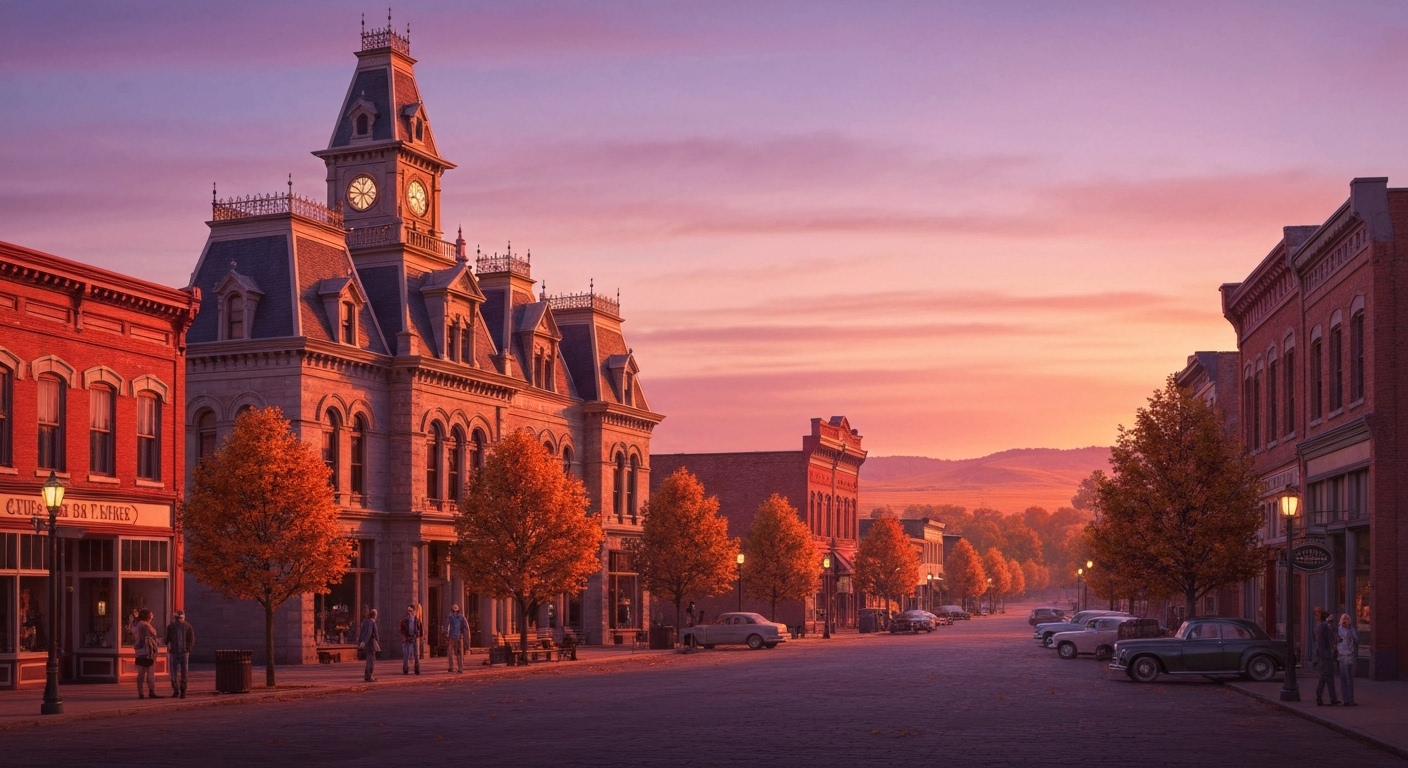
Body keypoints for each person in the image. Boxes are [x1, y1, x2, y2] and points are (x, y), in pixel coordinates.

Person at [164, 610, 195, 699]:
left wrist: (188, 648)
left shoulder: (187, 626)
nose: (179, 620)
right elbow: (167, 639)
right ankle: (177, 690)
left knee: (182, 673)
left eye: (180, 618)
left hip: (182, 653)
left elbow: (191, 639)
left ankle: (181, 691)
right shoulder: (171, 627)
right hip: (176, 652)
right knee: (176, 674)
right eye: (177, 618)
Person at [1312, 608, 1339, 706]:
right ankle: (1329, 698)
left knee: (1325, 677)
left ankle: (1328, 698)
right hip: (1326, 655)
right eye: (1330, 617)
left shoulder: (1319, 626)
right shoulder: (1324, 626)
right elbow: (1325, 640)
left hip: (1323, 655)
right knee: (1328, 676)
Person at [132, 609, 160, 699]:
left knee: (141, 674)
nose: (152, 617)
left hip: (141, 652)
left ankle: (141, 693)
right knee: (149, 674)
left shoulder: (138, 624)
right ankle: (151, 692)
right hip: (147, 651)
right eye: (150, 616)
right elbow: (149, 636)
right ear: (147, 616)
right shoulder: (144, 626)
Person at [1337, 613, 1359, 706]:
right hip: (1345, 656)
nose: (1345, 621)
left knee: (1346, 678)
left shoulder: (1347, 630)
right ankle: (1348, 699)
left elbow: (1356, 641)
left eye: (1347, 619)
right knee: (1347, 678)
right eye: (1344, 619)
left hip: (1346, 656)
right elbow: (1356, 641)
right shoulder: (1346, 630)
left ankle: (1347, 699)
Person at [445, 604, 470, 673]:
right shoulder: (462, 617)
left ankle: (451, 667)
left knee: (451, 653)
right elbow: (466, 628)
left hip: (452, 637)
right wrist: (465, 637)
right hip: (458, 637)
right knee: (459, 653)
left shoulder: (450, 617)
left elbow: (446, 627)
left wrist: (446, 636)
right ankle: (460, 668)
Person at [358, 609, 380, 682]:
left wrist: (361, 642)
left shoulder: (365, 622)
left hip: (366, 644)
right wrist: (377, 642)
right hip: (371, 643)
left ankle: (366, 676)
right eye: (376, 615)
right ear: (374, 615)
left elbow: (362, 633)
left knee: (368, 660)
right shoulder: (373, 623)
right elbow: (373, 634)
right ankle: (370, 676)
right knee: (371, 660)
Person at [400, 604, 422, 675]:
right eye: (409, 611)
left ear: (414, 611)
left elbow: (420, 629)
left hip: (415, 638)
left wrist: (418, 636)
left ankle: (417, 670)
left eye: (411, 611)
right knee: (406, 654)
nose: (409, 612)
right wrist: (404, 636)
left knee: (416, 654)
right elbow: (401, 629)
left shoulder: (417, 620)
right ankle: (405, 669)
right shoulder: (404, 620)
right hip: (407, 639)